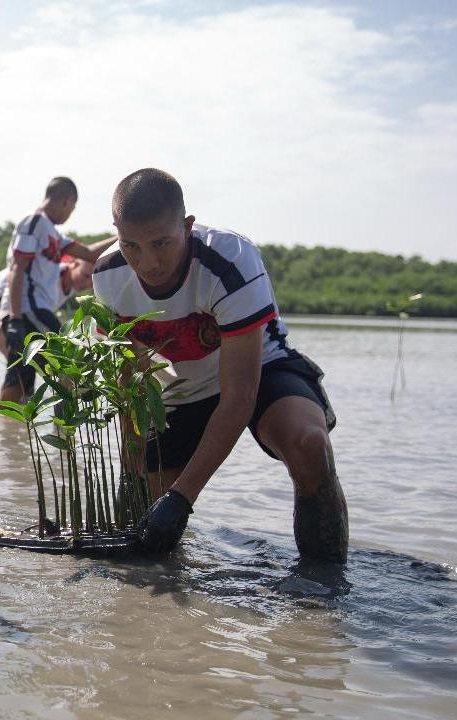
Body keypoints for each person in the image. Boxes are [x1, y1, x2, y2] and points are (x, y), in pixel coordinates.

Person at [91, 168, 347, 563]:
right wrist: (134, 453)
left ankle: (326, 583)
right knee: (148, 522)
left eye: (161, 243)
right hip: (182, 387)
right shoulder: (109, 275)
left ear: (187, 226)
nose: (148, 262)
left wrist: (182, 499)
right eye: (131, 246)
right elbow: (130, 378)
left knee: (308, 443)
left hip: (263, 371)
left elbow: (239, 397)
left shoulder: (230, 261)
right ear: (116, 233)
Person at [0, 177, 106, 402]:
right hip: (29, 310)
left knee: (20, 380)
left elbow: (87, 253)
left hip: (31, 311)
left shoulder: (51, 232)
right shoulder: (35, 222)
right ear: (67, 202)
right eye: (73, 209)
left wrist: (123, 236)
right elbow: (17, 269)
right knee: (68, 360)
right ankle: (66, 427)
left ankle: (7, 431)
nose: (70, 214)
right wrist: (16, 319)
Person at [0, 242, 111, 366]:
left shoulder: (71, 283)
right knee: (21, 364)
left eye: (91, 280)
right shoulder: (50, 275)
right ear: (73, 265)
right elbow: (7, 302)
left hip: (17, 308)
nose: (87, 284)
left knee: (30, 363)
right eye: (85, 276)